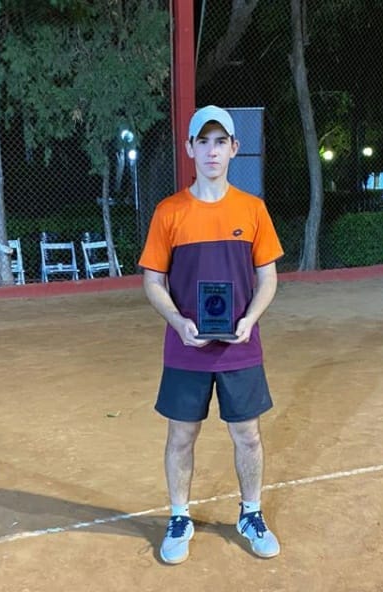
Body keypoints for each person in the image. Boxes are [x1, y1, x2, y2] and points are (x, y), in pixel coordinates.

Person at [138, 105, 284, 564]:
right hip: (187, 348)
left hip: (241, 347)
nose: (212, 151)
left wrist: (250, 319)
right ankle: (179, 517)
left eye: (221, 142)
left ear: (234, 149)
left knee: (248, 436)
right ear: (189, 148)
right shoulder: (169, 212)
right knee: (181, 436)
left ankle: (251, 513)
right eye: (203, 141)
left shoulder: (253, 209)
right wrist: (179, 322)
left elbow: (268, 278)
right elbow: (152, 281)